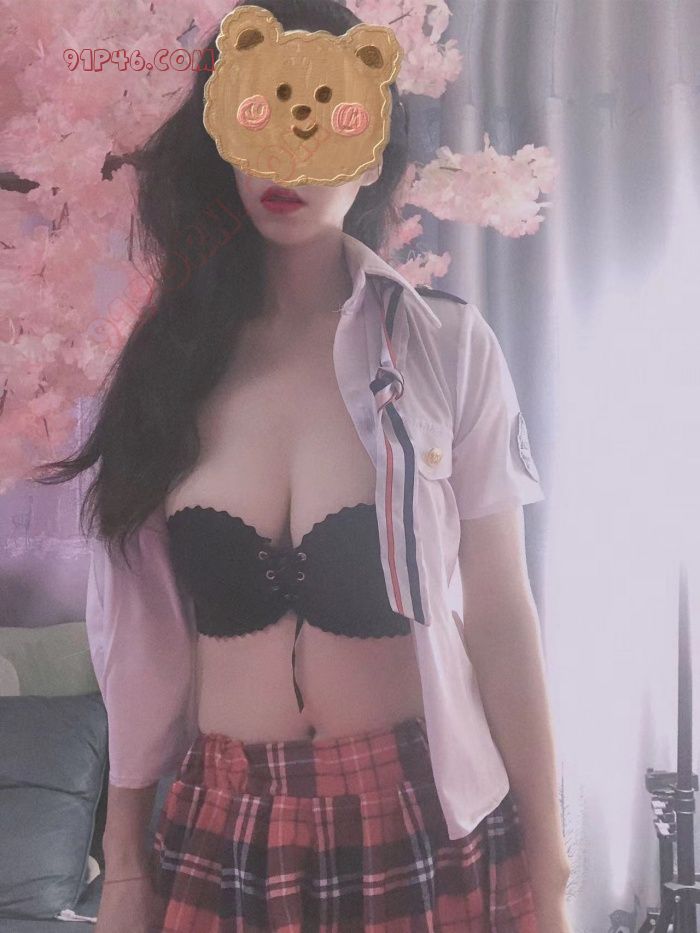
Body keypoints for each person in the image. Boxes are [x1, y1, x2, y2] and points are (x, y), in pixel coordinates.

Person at [35, 1, 571, 929]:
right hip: (223, 827)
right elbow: (137, 644)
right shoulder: (168, 369)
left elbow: (500, 613)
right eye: (260, 118)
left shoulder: (446, 349)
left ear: (372, 155)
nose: (286, 161)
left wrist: (550, 868)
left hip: (419, 816)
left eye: (329, 121)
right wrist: (123, 865)